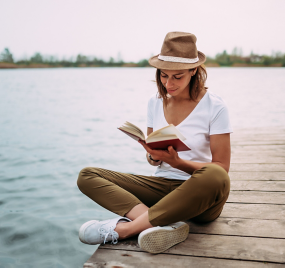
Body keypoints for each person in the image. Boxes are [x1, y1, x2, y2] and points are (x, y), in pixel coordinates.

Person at [77, 32, 232, 254]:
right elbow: (153, 160)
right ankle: (161, 224)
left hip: (201, 194)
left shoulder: (215, 106)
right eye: (163, 75)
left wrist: (178, 163)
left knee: (216, 176)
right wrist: (152, 155)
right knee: (87, 175)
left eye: (177, 77)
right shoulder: (155, 102)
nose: (168, 83)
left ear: (193, 70)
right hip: (162, 189)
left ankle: (126, 229)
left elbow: (221, 167)